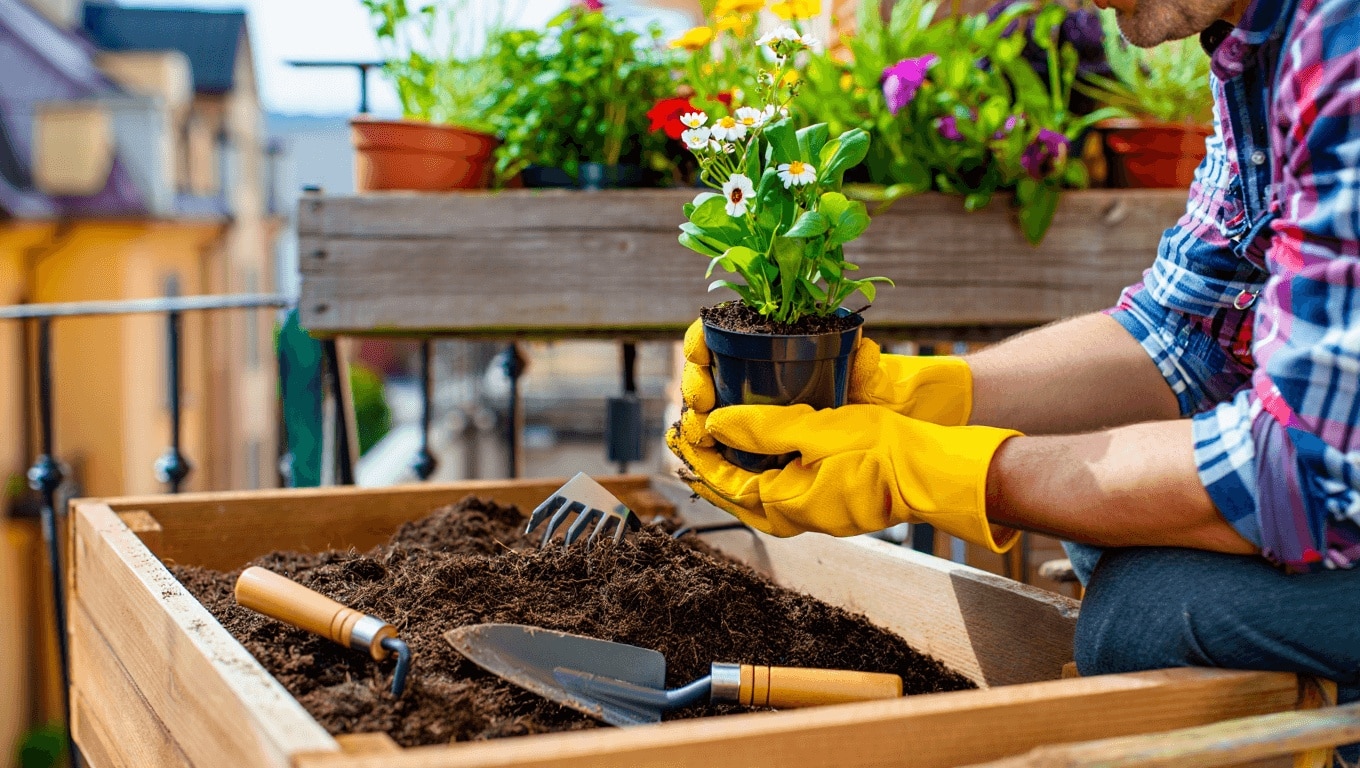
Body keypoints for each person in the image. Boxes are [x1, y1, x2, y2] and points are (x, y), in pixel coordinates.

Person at [667, 0, 1360, 744]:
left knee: (1148, 612)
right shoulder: (1257, 41)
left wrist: (942, 475)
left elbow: (1304, 472)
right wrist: (907, 397)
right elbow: (1183, 332)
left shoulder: (1340, 42)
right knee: (1108, 526)